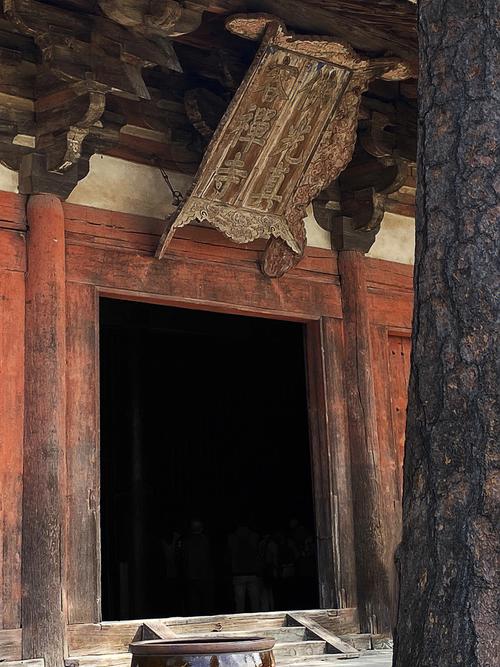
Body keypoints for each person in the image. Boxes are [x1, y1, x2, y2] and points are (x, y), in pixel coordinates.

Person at [180, 519, 214, 615]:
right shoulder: (205, 540)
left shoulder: (187, 541)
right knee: (204, 601)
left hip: (193, 575)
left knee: (193, 602)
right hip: (202, 576)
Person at [228, 522, 261, 612]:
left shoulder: (232, 537)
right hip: (252, 573)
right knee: (255, 604)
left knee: (239, 605)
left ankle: (240, 622)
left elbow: (230, 554)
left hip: (238, 574)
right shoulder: (254, 536)